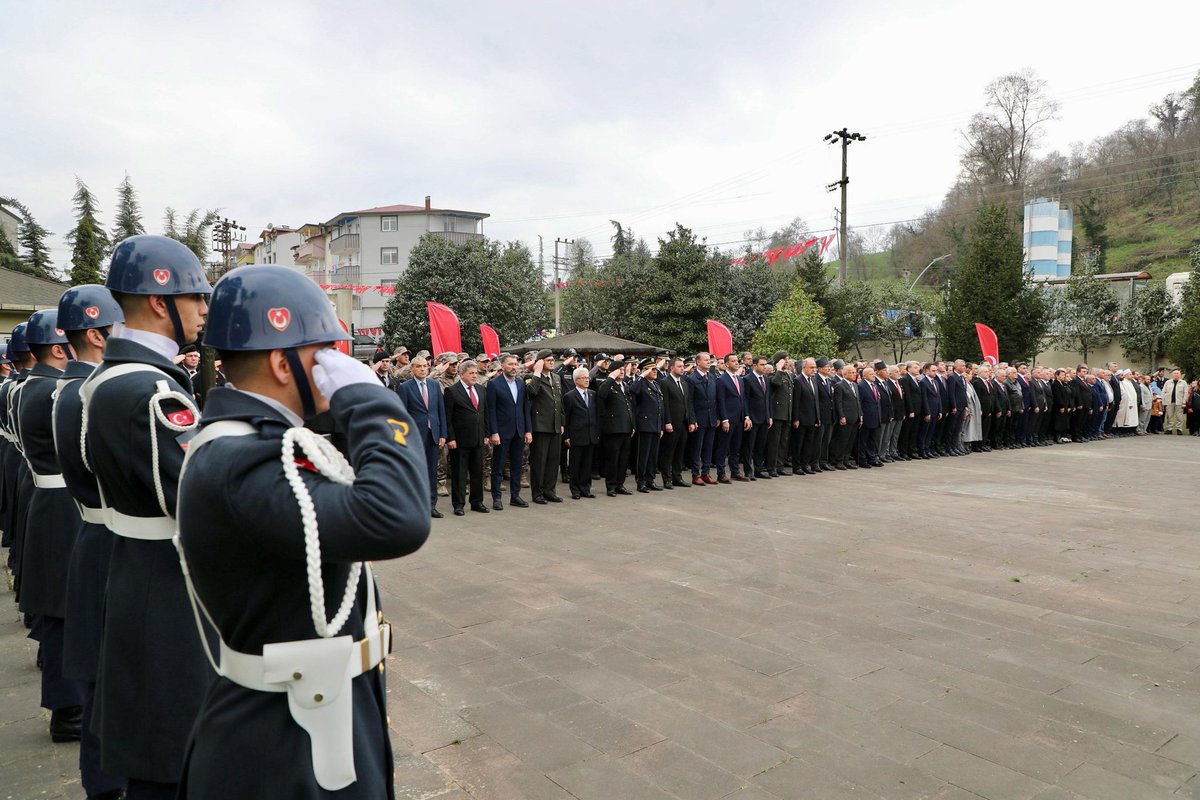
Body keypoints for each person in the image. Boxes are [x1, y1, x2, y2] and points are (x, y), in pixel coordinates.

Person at [175, 264, 430, 799]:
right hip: (282, 742)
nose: (336, 363)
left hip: (315, 711)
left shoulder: (264, 442)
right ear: (281, 362)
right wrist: (372, 400)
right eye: (324, 351)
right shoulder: (243, 459)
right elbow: (398, 517)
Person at [81, 234, 213, 800]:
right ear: (161, 301)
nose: (206, 311)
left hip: (137, 566)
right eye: (197, 298)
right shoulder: (151, 389)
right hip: (167, 582)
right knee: (174, 750)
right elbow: (203, 494)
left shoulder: (109, 379)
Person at [49, 285, 128, 800]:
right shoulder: (107, 391)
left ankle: (102, 783)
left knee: (103, 680)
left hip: (89, 530)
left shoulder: (64, 391)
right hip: (117, 540)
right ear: (98, 333)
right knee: (117, 682)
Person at [16, 309, 87, 747]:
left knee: (58, 605)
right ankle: (68, 709)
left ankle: (68, 703)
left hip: (48, 497)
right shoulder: (57, 392)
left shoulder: (32, 386)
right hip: (64, 503)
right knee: (65, 607)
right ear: (59, 348)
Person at [396, 356, 447, 518]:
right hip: (415, 436)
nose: (423, 369)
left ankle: (431, 505)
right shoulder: (405, 387)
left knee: (432, 471)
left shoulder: (434, 385)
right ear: (412, 368)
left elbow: (440, 411)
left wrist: (442, 434)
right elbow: (401, 415)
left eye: (425, 366)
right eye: (419, 366)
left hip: (433, 434)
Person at [485, 354, 532, 510]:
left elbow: (525, 408)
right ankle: (497, 498)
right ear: (502, 366)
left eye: (515, 364)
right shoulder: (494, 384)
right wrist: (494, 432)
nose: (514, 367)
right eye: (510, 364)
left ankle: (515, 496)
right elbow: (490, 410)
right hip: (502, 431)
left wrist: (528, 430)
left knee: (517, 465)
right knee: (498, 466)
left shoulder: (520, 383)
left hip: (519, 430)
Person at [445, 359, 489, 515]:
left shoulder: (481, 390)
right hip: (460, 440)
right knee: (459, 473)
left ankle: (477, 502)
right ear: (461, 374)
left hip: (478, 438)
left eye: (476, 373)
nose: (475, 376)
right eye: (471, 373)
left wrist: (486, 434)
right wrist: (450, 438)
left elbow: (484, 414)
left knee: (478, 472)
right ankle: (459, 504)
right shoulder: (452, 391)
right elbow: (448, 418)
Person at [525, 349, 565, 504]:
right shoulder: (531, 377)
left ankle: (550, 491)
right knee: (539, 462)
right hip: (540, 425)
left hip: (555, 424)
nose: (551, 362)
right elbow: (532, 392)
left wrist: (562, 421)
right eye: (548, 360)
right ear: (540, 361)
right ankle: (537, 493)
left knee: (553, 461)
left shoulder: (555, 377)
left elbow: (559, 401)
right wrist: (537, 372)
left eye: (552, 359)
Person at [597, 358, 634, 495]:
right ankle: (611, 485)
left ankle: (620, 484)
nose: (623, 372)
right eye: (620, 370)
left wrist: (632, 424)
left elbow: (630, 407)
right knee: (613, 459)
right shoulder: (607, 384)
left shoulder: (624, 385)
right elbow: (601, 394)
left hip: (626, 427)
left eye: (624, 370)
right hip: (613, 429)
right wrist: (611, 378)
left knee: (624, 458)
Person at [657, 356, 694, 488]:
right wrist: (667, 422)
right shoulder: (665, 382)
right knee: (668, 452)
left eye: (683, 366)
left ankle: (677, 477)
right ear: (672, 368)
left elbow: (688, 403)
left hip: (683, 423)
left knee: (680, 452)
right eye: (679, 366)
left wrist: (691, 420)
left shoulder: (684, 382)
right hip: (672, 423)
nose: (682, 368)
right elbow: (664, 404)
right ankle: (666, 479)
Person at [562, 367, 599, 499]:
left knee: (587, 464)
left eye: (587, 377)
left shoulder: (592, 394)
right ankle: (575, 490)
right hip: (576, 435)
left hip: (590, 434)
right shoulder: (569, 396)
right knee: (575, 464)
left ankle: (586, 488)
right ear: (576, 380)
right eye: (583, 378)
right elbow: (566, 417)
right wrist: (566, 435)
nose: (586, 380)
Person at [714, 354, 749, 483]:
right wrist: (724, 419)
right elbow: (721, 401)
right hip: (728, 418)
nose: (736, 363)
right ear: (726, 364)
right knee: (723, 447)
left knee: (736, 447)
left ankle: (735, 471)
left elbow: (743, 399)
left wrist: (746, 416)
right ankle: (721, 473)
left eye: (737, 361)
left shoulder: (740, 379)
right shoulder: (721, 380)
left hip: (739, 418)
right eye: (733, 361)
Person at [684, 352, 718, 485]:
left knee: (708, 447)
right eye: (705, 360)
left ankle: (706, 472)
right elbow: (689, 401)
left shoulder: (712, 376)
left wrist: (717, 416)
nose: (709, 362)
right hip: (699, 418)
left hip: (711, 418)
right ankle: (695, 474)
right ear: (698, 362)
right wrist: (692, 420)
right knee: (697, 448)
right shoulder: (692, 378)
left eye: (709, 360)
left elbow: (715, 399)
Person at [742, 355, 771, 479]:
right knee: (749, 446)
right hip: (753, 418)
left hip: (764, 418)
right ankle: (748, 470)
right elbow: (745, 400)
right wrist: (747, 416)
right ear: (754, 365)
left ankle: (759, 469)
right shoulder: (747, 379)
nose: (764, 367)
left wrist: (769, 416)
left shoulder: (766, 379)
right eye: (762, 365)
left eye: (765, 364)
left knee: (761, 445)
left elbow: (768, 399)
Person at [790, 357, 821, 474]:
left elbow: (816, 401)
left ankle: (805, 464)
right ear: (804, 367)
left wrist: (818, 417)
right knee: (798, 443)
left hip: (812, 418)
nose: (814, 370)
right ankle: (797, 466)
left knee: (808, 443)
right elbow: (796, 401)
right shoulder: (798, 381)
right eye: (812, 367)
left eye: (815, 367)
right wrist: (796, 418)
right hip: (802, 419)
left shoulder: (813, 381)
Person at [766, 353, 793, 476]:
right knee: (774, 442)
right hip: (777, 414)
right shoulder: (773, 374)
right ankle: (771, 467)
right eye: (785, 360)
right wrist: (778, 369)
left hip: (786, 413)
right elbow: (775, 383)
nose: (787, 362)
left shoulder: (787, 374)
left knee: (783, 442)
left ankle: (779, 466)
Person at [831, 364, 862, 470]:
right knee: (842, 440)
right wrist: (841, 416)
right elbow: (838, 403)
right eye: (851, 372)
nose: (854, 374)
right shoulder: (839, 385)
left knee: (850, 441)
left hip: (855, 417)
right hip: (846, 417)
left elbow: (858, 401)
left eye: (855, 372)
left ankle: (846, 459)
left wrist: (860, 415)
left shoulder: (855, 385)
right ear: (845, 374)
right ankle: (838, 460)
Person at [856, 365, 881, 468]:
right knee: (863, 440)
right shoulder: (861, 386)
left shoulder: (874, 385)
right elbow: (860, 403)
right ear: (864, 376)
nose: (873, 375)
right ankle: (862, 459)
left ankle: (872, 458)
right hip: (866, 417)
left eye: (873, 373)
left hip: (875, 416)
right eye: (871, 374)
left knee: (872, 440)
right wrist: (861, 416)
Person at [1162, 369, 1188, 435]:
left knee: (1179, 416)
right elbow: (1163, 392)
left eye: (1177, 373)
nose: (1176, 374)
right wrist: (1163, 401)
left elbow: (1185, 393)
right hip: (1169, 402)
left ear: (1180, 375)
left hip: (1179, 402)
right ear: (1172, 374)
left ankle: (1179, 429)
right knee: (1169, 416)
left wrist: (1184, 401)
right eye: (1175, 373)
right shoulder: (1167, 382)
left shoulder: (1183, 382)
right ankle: (1169, 429)